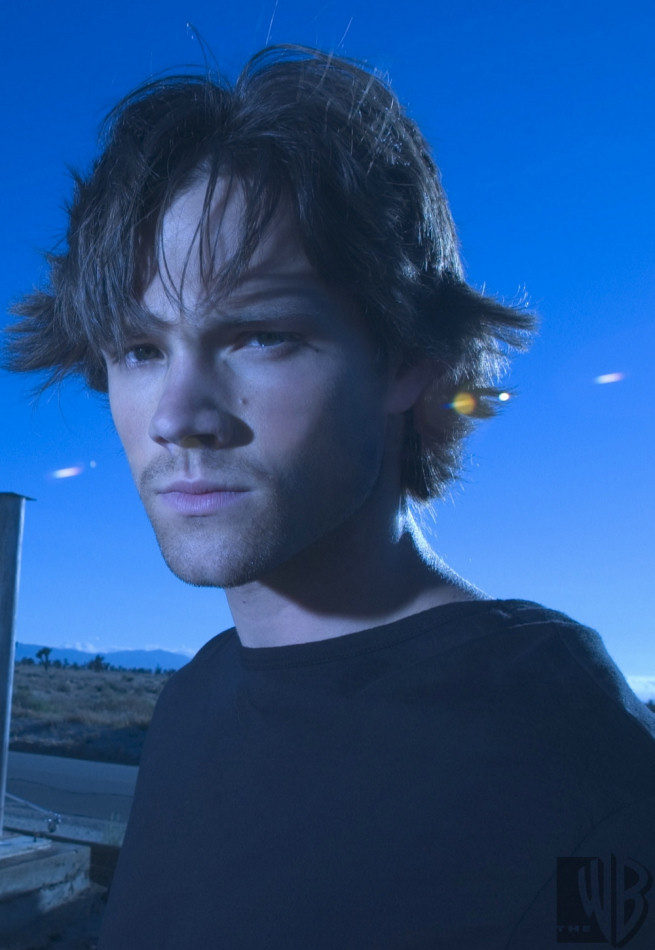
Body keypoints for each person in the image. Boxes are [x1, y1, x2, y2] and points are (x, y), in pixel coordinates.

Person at [4, 45, 655, 950]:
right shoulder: (195, 700)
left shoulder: (566, 755)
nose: (178, 417)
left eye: (261, 335)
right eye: (140, 351)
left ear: (408, 358)